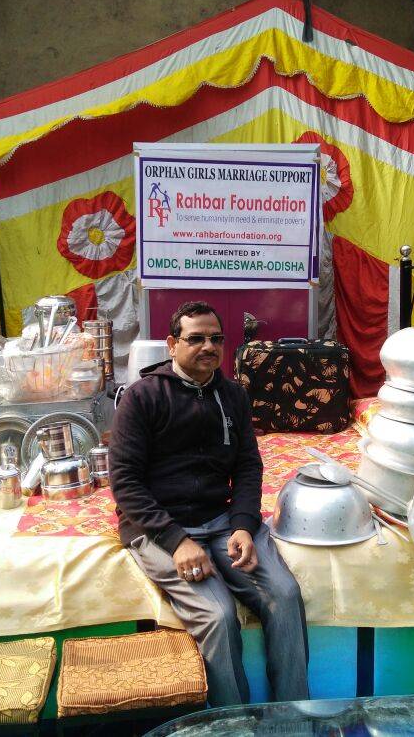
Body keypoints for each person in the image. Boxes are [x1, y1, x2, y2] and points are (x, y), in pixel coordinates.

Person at [109, 300, 310, 707]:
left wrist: (242, 525)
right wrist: (176, 540)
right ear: (171, 344)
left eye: (215, 338)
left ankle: (291, 719)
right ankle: (231, 726)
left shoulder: (233, 395)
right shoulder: (141, 398)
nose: (208, 347)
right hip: (159, 528)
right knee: (218, 616)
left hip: (221, 520)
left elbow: (249, 467)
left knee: (284, 595)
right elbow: (125, 483)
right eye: (195, 338)